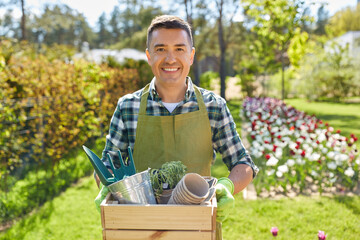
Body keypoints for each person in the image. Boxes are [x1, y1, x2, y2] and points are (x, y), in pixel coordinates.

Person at [94, 15, 258, 239]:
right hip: (139, 229)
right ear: (149, 56)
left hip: (197, 229)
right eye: (160, 49)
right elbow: (107, 165)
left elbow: (243, 163)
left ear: (191, 55)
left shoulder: (214, 106)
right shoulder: (128, 107)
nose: (170, 58)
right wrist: (107, 185)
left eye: (179, 49)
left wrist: (227, 186)